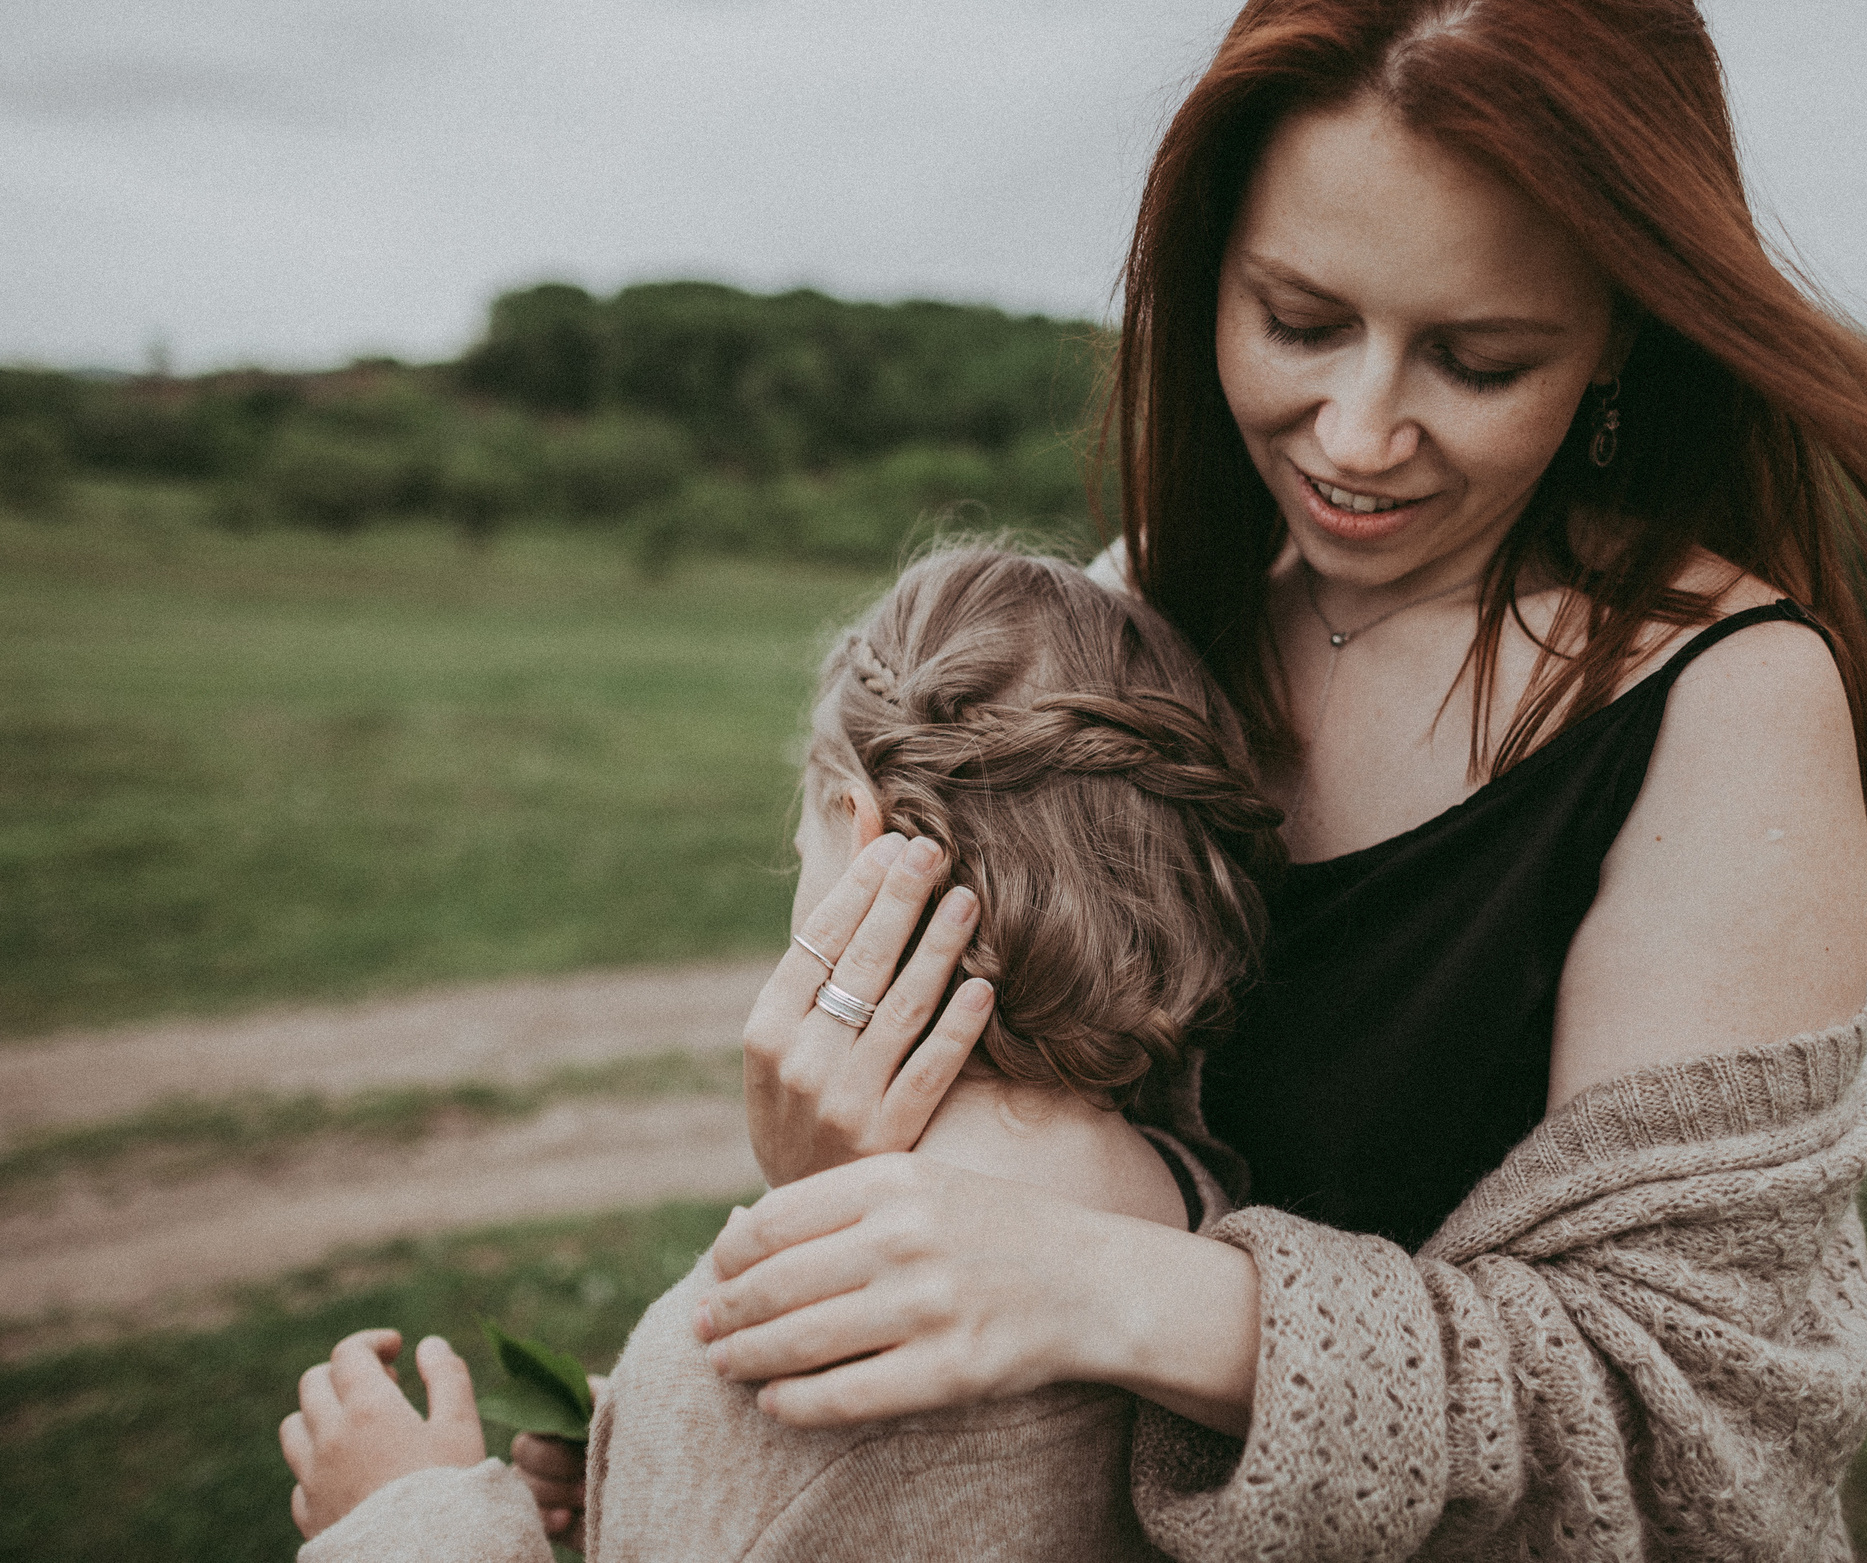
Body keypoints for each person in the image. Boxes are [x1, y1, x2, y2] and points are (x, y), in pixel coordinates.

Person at [679, 0, 1867, 1560]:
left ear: (1619, 333)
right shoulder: (1145, 602)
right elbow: (1030, 1143)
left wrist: (1131, 1293)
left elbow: (1696, 1433)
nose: (1359, 433)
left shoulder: (1723, 703)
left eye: (1478, 358)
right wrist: (856, 1155)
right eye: (1299, 321)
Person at [277, 547, 1287, 1561]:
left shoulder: (760, 1371)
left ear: (864, 831)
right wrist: (634, 1461)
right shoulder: (1197, 1208)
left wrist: (402, 1517)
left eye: (806, 816)